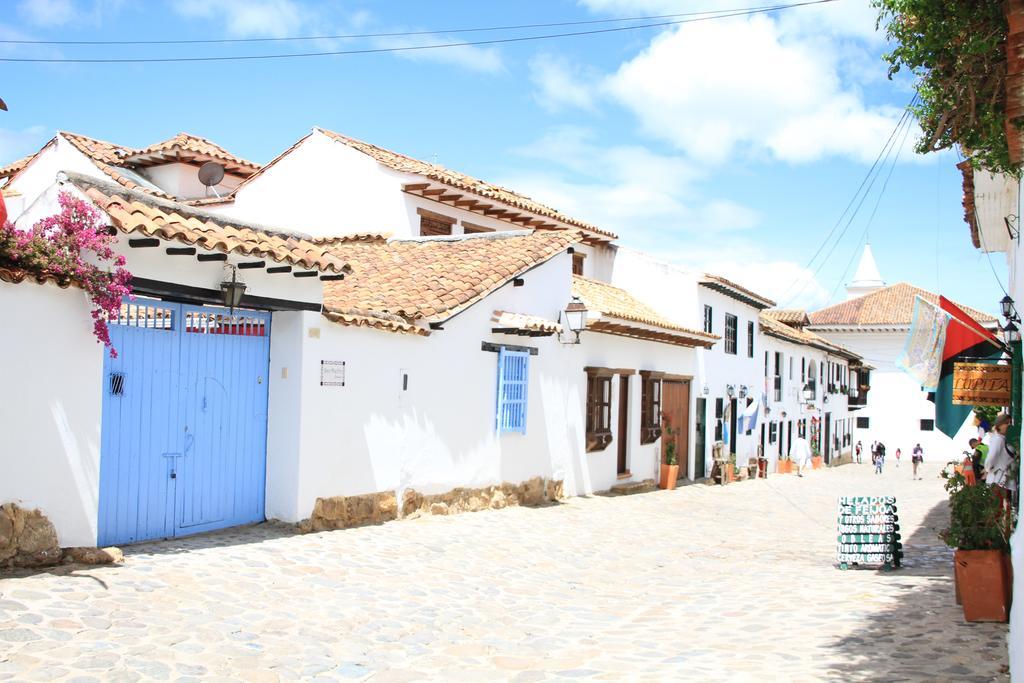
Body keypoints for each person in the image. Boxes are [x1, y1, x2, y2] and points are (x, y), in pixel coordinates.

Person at [984, 414, 1017, 494]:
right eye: (1006, 423)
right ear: (999, 425)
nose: (1009, 425)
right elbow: (992, 456)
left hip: (1003, 480)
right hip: (999, 480)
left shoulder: (1002, 438)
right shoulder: (998, 439)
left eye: (1010, 423)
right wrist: (987, 468)